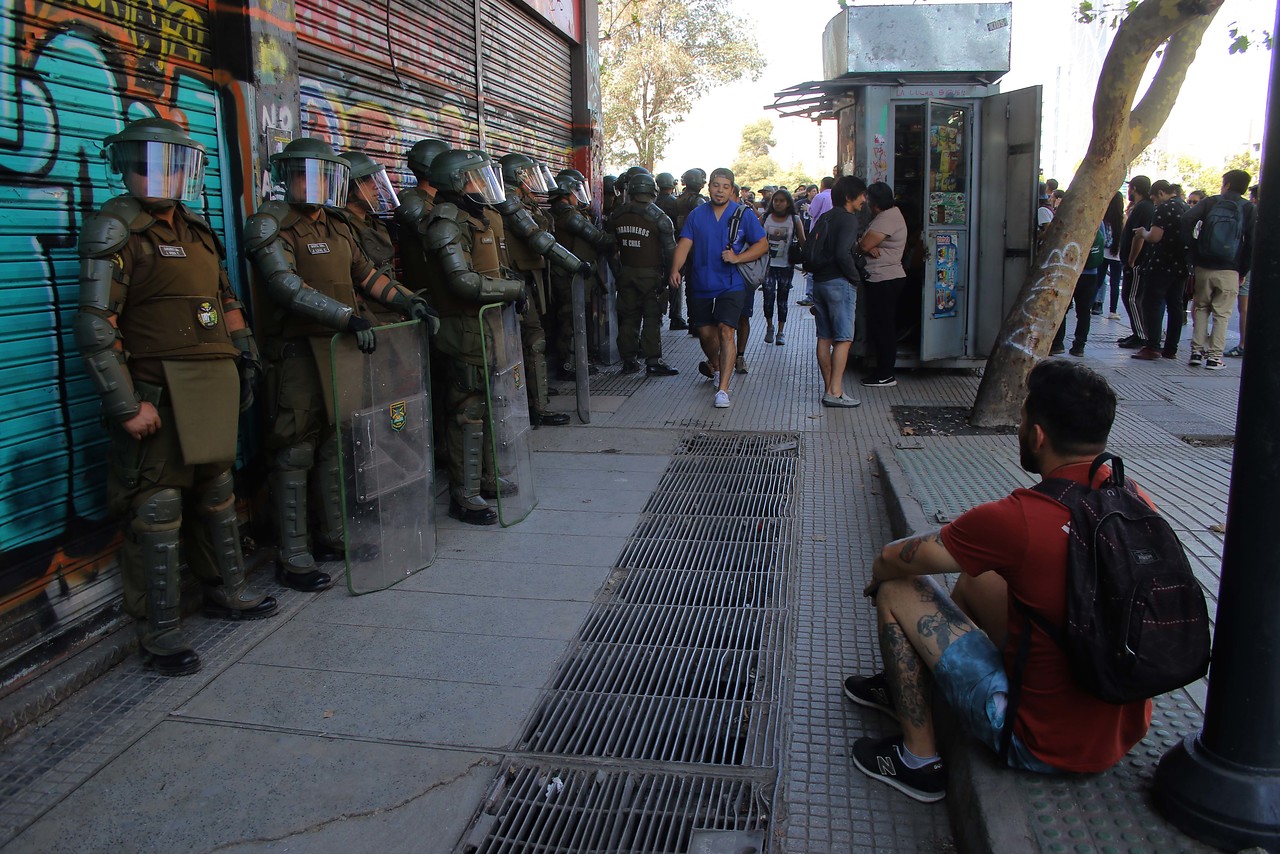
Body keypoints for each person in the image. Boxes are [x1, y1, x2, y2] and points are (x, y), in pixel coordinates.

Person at [843, 360, 1151, 803]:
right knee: (977, 574)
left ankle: (917, 759)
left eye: (1024, 418)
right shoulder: (1132, 497)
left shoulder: (1022, 518)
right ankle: (908, 683)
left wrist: (880, 578)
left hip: (1038, 743)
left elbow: (893, 558)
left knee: (896, 588)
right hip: (1118, 731)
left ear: (1038, 435)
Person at [75, 117, 278, 676]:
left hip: (212, 386)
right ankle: (160, 633)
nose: (163, 175)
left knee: (217, 494)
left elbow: (226, 300)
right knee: (157, 510)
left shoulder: (197, 228)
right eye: (151, 162)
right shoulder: (115, 228)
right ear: (128, 165)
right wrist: (125, 404)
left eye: (174, 163)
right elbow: (96, 327)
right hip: (156, 393)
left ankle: (228, 591)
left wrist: (246, 359)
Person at [247, 138, 434, 583]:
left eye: (323, 175)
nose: (314, 185)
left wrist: (410, 303)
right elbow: (286, 288)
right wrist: (347, 318)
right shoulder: (269, 225)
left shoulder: (337, 226)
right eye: (305, 174)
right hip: (296, 356)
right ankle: (293, 556)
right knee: (295, 451)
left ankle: (333, 536)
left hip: (339, 350)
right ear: (287, 177)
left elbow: (366, 276)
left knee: (334, 443)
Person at [419, 149, 527, 524]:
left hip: (486, 326)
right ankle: (464, 496)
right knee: (467, 410)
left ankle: (482, 479)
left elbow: (489, 269)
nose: (483, 185)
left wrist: (513, 285)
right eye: (475, 178)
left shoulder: (473, 217)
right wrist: (512, 291)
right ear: (457, 182)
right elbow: (462, 281)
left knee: (484, 406)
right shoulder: (446, 222)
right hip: (463, 328)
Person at [668, 167, 767, 410]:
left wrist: (738, 258)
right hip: (701, 282)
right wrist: (675, 269)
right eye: (715, 185)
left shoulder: (743, 214)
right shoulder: (697, 215)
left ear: (732, 189)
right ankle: (717, 365)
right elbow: (684, 243)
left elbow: (762, 244)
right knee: (704, 333)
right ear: (709, 187)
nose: (720, 190)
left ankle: (723, 388)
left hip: (732, 284)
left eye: (725, 186)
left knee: (726, 330)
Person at [494, 152, 579, 426]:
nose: (533, 181)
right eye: (528, 175)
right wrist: (574, 263)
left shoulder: (523, 202)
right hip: (516, 281)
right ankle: (537, 407)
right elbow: (537, 237)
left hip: (528, 278)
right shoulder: (509, 202)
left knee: (534, 338)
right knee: (533, 339)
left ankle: (535, 396)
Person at [1181, 169, 1256, 369]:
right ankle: (1214, 357)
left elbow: (1187, 219)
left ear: (1228, 184)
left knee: (1201, 308)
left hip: (1204, 265)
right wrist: (1243, 269)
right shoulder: (1248, 208)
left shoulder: (1211, 202)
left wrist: (1195, 248)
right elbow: (1251, 242)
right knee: (1222, 313)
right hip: (1230, 268)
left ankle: (1196, 352)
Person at [610, 171, 679, 376]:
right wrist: (669, 276)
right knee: (651, 317)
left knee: (628, 318)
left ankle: (629, 361)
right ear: (652, 191)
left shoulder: (618, 214)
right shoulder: (658, 217)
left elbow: (610, 247)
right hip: (650, 276)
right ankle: (653, 361)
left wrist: (618, 272)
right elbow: (670, 251)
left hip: (626, 274)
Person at [548, 172, 613, 379]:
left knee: (575, 318)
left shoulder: (567, 213)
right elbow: (596, 237)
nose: (579, 195)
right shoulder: (569, 215)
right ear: (566, 193)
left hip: (573, 273)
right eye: (575, 190)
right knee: (571, 319)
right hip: (569, 276)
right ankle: (569, 364)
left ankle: (575, 360)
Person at [810, 175, 867, 408]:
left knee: (824, 337)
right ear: (849, 196)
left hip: (820, 282)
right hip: (839, 283)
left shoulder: (826, 217)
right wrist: (855, 278)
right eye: (861, 194)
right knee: (844, 338)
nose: (864, 199)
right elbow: (843, 253)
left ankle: (830, 389)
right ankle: (835, 391)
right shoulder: (848, 219)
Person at [335, 150, 402, 323]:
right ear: (348, 189)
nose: (375, 186)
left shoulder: (376, 224)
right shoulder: (338, 225)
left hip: (389, 312)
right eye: (366, 180)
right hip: (364, 318)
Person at [1129, 180, 1189, 360]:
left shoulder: (1164, 209)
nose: (1154, 202)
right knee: (1175, 305)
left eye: (1155, 198)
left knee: (1152, 304)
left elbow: (1155, 236)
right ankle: (1171, 348)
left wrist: (1142, 233)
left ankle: (1152, 346)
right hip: (1181, 265)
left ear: (1161, 193)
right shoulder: (1185, 206)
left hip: (1161, 264)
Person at [858, 182, 908, 387]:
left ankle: (886, 373)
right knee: (880, 325)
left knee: (884, 327)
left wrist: (866, 246)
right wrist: (867, 246)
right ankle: (882, 371)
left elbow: (863, 244)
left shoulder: (889, 217)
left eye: (867, 198)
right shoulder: (886, 216)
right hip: (880, 277)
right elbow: (866, 244)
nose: (865, 202)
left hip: (886, 278)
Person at [1052, 220, 1106, 357]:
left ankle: (1058, 344)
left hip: (1069, 272)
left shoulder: (1072, 218)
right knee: (1084, 311)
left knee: (1062, 310)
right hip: (1090, 273)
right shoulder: (1099, 220)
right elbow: (1103, 242)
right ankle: (1079, 346)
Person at [761, 188, 805, 347]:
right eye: (775, 200)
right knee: (768, 297)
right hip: (768, 266)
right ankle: (770, 326)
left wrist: (807, 262)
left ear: (788, 203)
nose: (778, 203)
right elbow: (756, 237)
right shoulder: (766, 218)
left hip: (786, 266)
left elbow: (802, 241)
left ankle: (781, 331)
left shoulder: (794, 219)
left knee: (783, 299)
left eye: (782, 201)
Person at [1117, 175, 1154, 348]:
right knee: (1130, 296)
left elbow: (1138, 236)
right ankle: (1137, 332)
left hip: (1137, 262)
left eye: (1130, 188)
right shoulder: (1140, 207)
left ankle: (1141, 335)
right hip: (1134, 261)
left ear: (1135, 188)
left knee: (1131, 297)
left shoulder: (1144, 208)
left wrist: (1132, 260)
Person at [1225, 182, 1260, 358]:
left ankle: (1244, 344)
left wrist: (1243, 270)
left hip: (1251, 265)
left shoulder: (1249, 212)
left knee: (1244, 306)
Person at [799, 176, 835, 306]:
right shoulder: (836, 196)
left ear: (822, 185)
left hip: (818, 234)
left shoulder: (820, 197)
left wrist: (807, 208)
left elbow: (813, 213)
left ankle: (810, 295)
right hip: (832, 234)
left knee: (813, 262)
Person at [1092, 192, 1125, 318]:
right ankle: (1113, 311)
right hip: (1116, 254)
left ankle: (1091, 304)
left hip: (1103, 253)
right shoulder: (1122, 218)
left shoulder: (1103, 216)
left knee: (1098, 280)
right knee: (1115, 283)